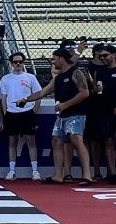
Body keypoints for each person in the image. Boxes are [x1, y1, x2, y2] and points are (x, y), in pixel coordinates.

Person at [31, 46, 96, 185]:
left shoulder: (76, 73)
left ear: (61, 58)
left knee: (77, 140)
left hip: (76, 114)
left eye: (54, 59)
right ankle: (58, 175)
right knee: (56, 141)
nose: (52, 62)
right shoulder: (59, 78)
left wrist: (66, 104)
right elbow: (42, 92)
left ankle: (87, 176)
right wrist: (24, 100)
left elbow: (84, 92)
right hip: (62, 116)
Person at [86, 44, 116, 183]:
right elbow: (94, 90)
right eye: (101, 56)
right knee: (108, 141)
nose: (102, 58)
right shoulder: (99, 71)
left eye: (105, 55)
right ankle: (112, 172)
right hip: (103, 110)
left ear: (113, 55)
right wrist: (96, 89)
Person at [0, 50, 43, 180]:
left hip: (27, 113)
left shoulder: (30, 77)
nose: (18, 64)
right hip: (12, 114)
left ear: (23, 63)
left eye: (20, 62)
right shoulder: (5, 79)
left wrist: (34, 109)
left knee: (31, 141)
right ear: (11, 64)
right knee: (12, 142)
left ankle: (35, 171)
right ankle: (11, 170)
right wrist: (6, 113)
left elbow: (38, 94)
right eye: (15, 62)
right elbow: (3, 98)